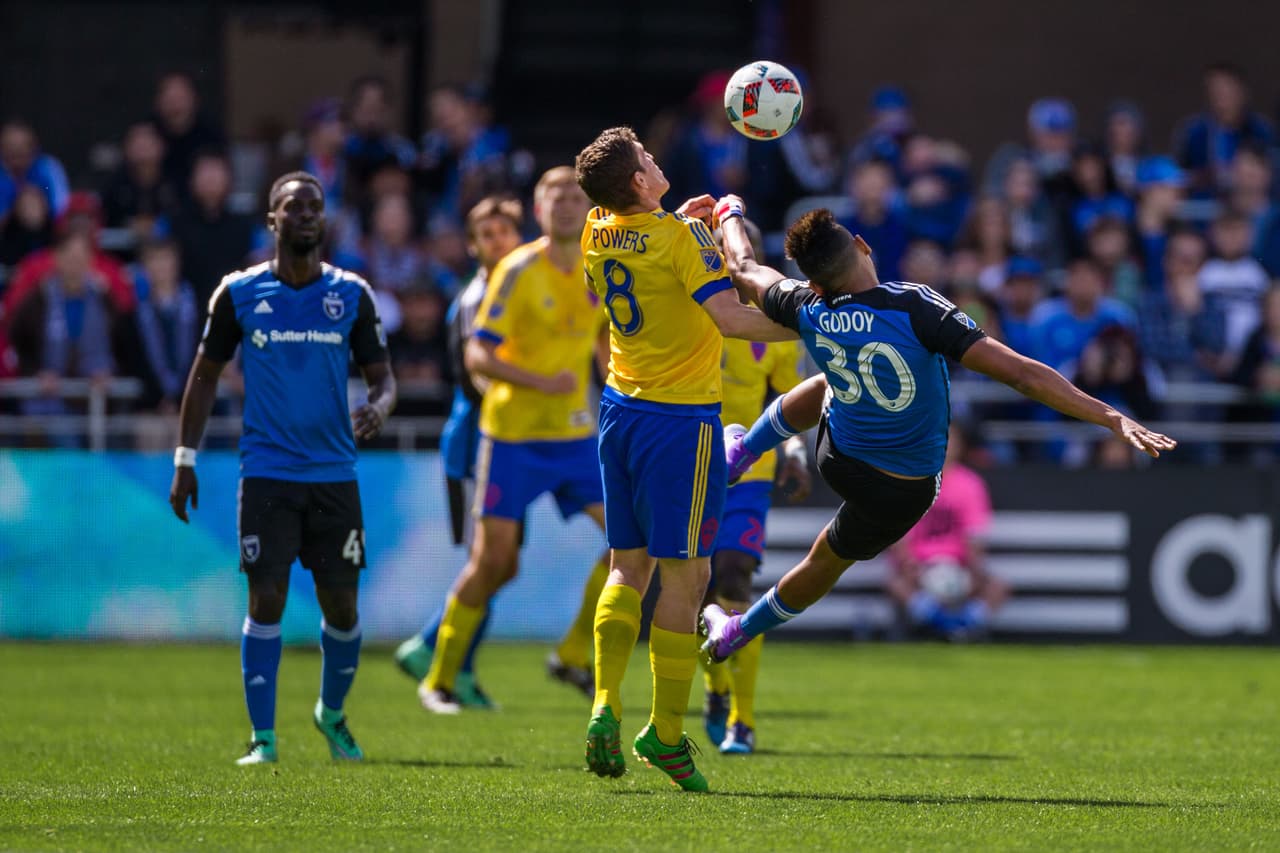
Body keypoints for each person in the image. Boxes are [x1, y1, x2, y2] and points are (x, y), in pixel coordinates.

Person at [700, 198, 1175, 665]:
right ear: (863, 246)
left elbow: (743, 267)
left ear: (813, 280)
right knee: (825, 562)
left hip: (838, 461)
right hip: (906, 491)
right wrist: (1109, 416)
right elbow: (1021, 374)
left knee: (833, 381)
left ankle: (742, 452)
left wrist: (731, 214)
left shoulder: (805, 305)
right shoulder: (915, 306)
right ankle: (738, 634)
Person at [574, 126, 795, 791]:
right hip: (682, 421)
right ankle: (666, 733)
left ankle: (604, 702)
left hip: (620, 410)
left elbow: (647, 253)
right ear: (639, 182)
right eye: (645, 158)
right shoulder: (681, 239)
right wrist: (815, 317)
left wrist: (685, 225)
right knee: (688, 576)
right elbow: (732, 319)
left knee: (626, 566)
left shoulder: (595, 227)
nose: (655, 160)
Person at [167, 171, 396, 766]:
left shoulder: (352, 295)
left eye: (315, 207)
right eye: (293, 207)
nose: (306, 215)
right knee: (265, 598)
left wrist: (379, 406)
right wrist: (184, 457)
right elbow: (204, 376)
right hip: (267, 472)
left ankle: (332, 714)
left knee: (341, 608)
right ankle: (262, 739)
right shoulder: (238, 294)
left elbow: (383, 377)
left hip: (334, 474)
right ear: (272, 220)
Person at [415, 167, 612, 715]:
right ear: (538, 208)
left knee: (630, 543)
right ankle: (440, 678)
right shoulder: (518, 269)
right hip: (512, 439)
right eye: (556, 197)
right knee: (494, 561)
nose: (568, 205)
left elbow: (603, 339)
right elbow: (478, 354)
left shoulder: (599, 267)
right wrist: (538, 381)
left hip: (574, 437)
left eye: (577, 196)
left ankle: (573, 653)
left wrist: (621, 388)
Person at [392, 196, 524, 707]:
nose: (498, 241)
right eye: (486, 234)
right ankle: (440, 656)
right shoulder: (476, 298)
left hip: (511, 435)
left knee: (502, 562)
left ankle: (447, 656)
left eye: (505, 232)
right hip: (478, 441)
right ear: (472, 246)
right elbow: (474, 382)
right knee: (488, 559)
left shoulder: (518, 287)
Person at [701, 218, 810, 755]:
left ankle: (742, 721)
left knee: (736, 577)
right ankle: (714, 686)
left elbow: (787, 400)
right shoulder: (693, 309)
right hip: (691, 465)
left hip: (749, 470)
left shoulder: (773, 327)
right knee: (696, 584)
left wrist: (794, 453)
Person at [886, 423, 1008, 641]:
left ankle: (965, 625)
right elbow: (898, 533)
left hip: (958, 564)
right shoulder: (910, 479)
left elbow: (974, 537)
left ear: (961, 446)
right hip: (920, 565)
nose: (945, 446)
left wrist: (974, 569)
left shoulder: (970, 484)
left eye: (951, 440)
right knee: (897, 585)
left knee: (997, 587)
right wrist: (910, 565)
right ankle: (941, 623)